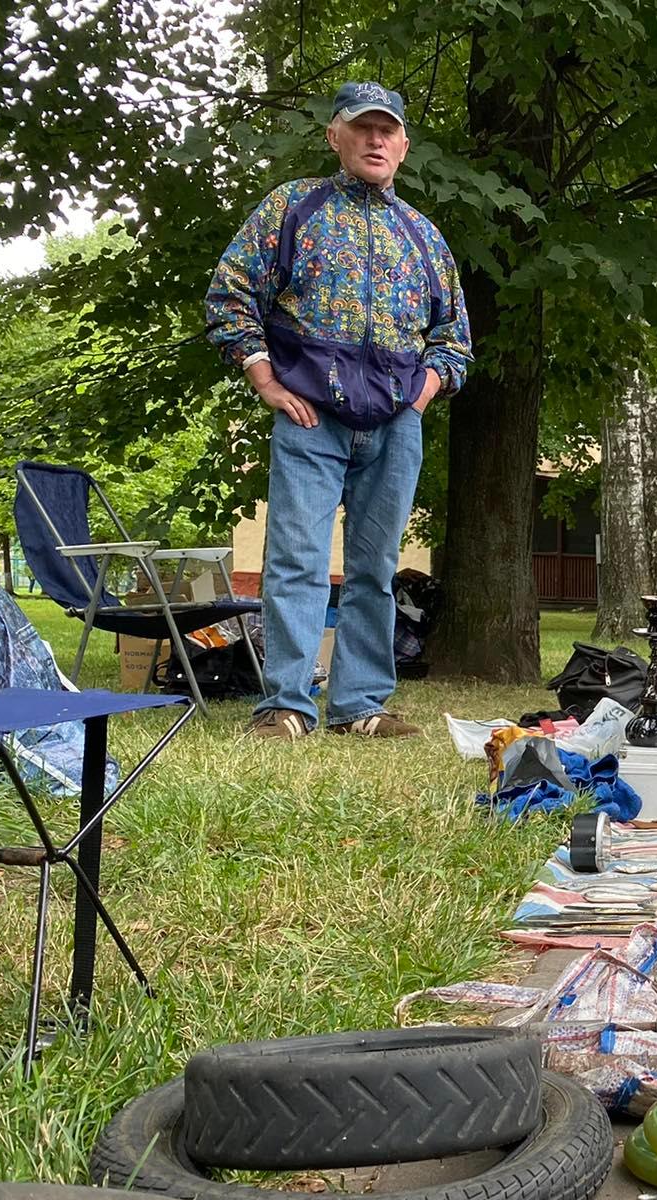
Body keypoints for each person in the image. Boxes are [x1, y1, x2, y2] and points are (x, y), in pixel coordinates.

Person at [205, 82, 472, 741]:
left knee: (375, 569)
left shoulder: (424, 236)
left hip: (395, 426)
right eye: (362, 128)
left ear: (403, 146)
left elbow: (454, 339)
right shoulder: (292, 207)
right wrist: (265, 380)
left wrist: (423, 393)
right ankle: (286, 706)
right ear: (335, 136)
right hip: (309, 417)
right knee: (295, 560)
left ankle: (360, 707)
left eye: (388, 131)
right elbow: (230, 294)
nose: (376, 140)